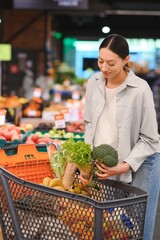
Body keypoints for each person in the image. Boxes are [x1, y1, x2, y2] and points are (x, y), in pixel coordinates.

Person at [84, 34, 160, 240]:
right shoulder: (94, 83)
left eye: (111, 63)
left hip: (142, 161)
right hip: (108, 161)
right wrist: (86, 162)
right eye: (100, 61)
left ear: (126, 60)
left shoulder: (140, 89)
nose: (104, 68)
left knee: (137, 223)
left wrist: (126, 165)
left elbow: (151, 139)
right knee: (111, 223)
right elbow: (89, 123)